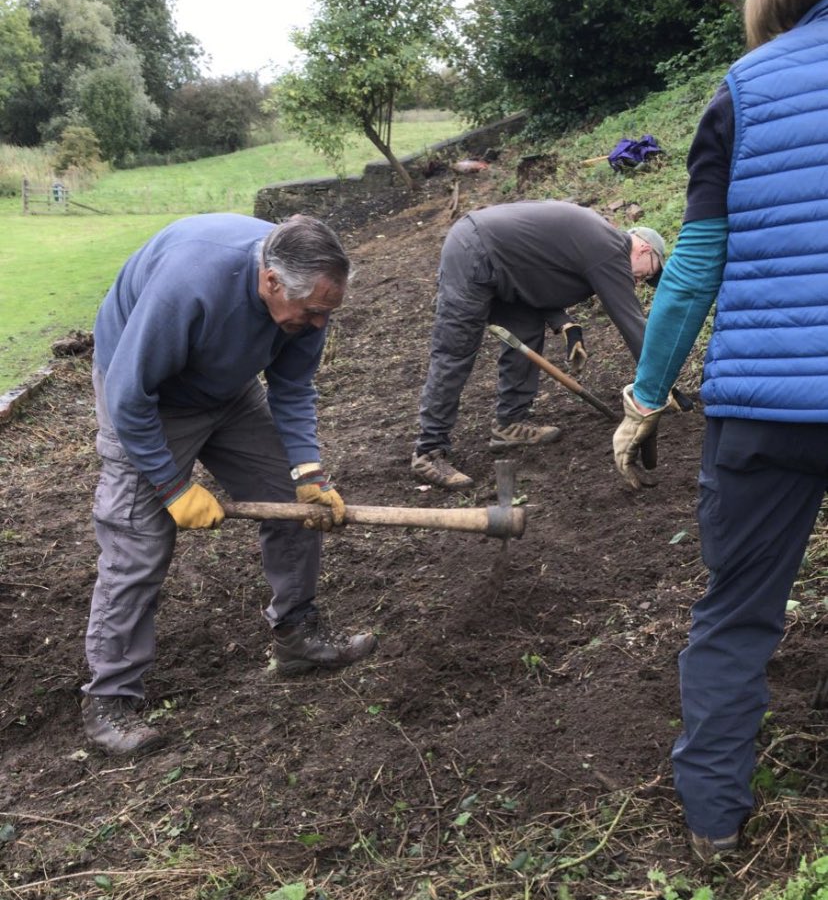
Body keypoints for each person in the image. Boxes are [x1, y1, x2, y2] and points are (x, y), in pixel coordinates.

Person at [612, 0, 828, 862]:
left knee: (738, 609)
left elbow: (693, 270)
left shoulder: (746, 90)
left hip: (765, 410)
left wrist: (644, 398)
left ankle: (712, 820)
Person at [82, 212, 376, 756]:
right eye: (312, 312)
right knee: (137, 542)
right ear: (270, 281)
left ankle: (297, 634)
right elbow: (128, 394)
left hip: (228, 391)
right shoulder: (189, 285)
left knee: (294, 503)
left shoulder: (310, 293)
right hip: (145, 393)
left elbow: (292, 385)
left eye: (326, 313)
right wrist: (173, 488)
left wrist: (308, 472)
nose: (317, 324)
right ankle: (110, 700)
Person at [411, 200, 666, 489]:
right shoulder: (611, 249)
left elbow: (538, 277)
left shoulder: (597, 244)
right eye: (647, 273)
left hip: (502, 263)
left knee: (527, 328)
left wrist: (565, 323)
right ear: (645, 248)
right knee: (455, 352)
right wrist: (661, 383)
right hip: (475, 250)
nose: (640, 280)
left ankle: (509, 423)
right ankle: (428, 452)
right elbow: (631, 322)